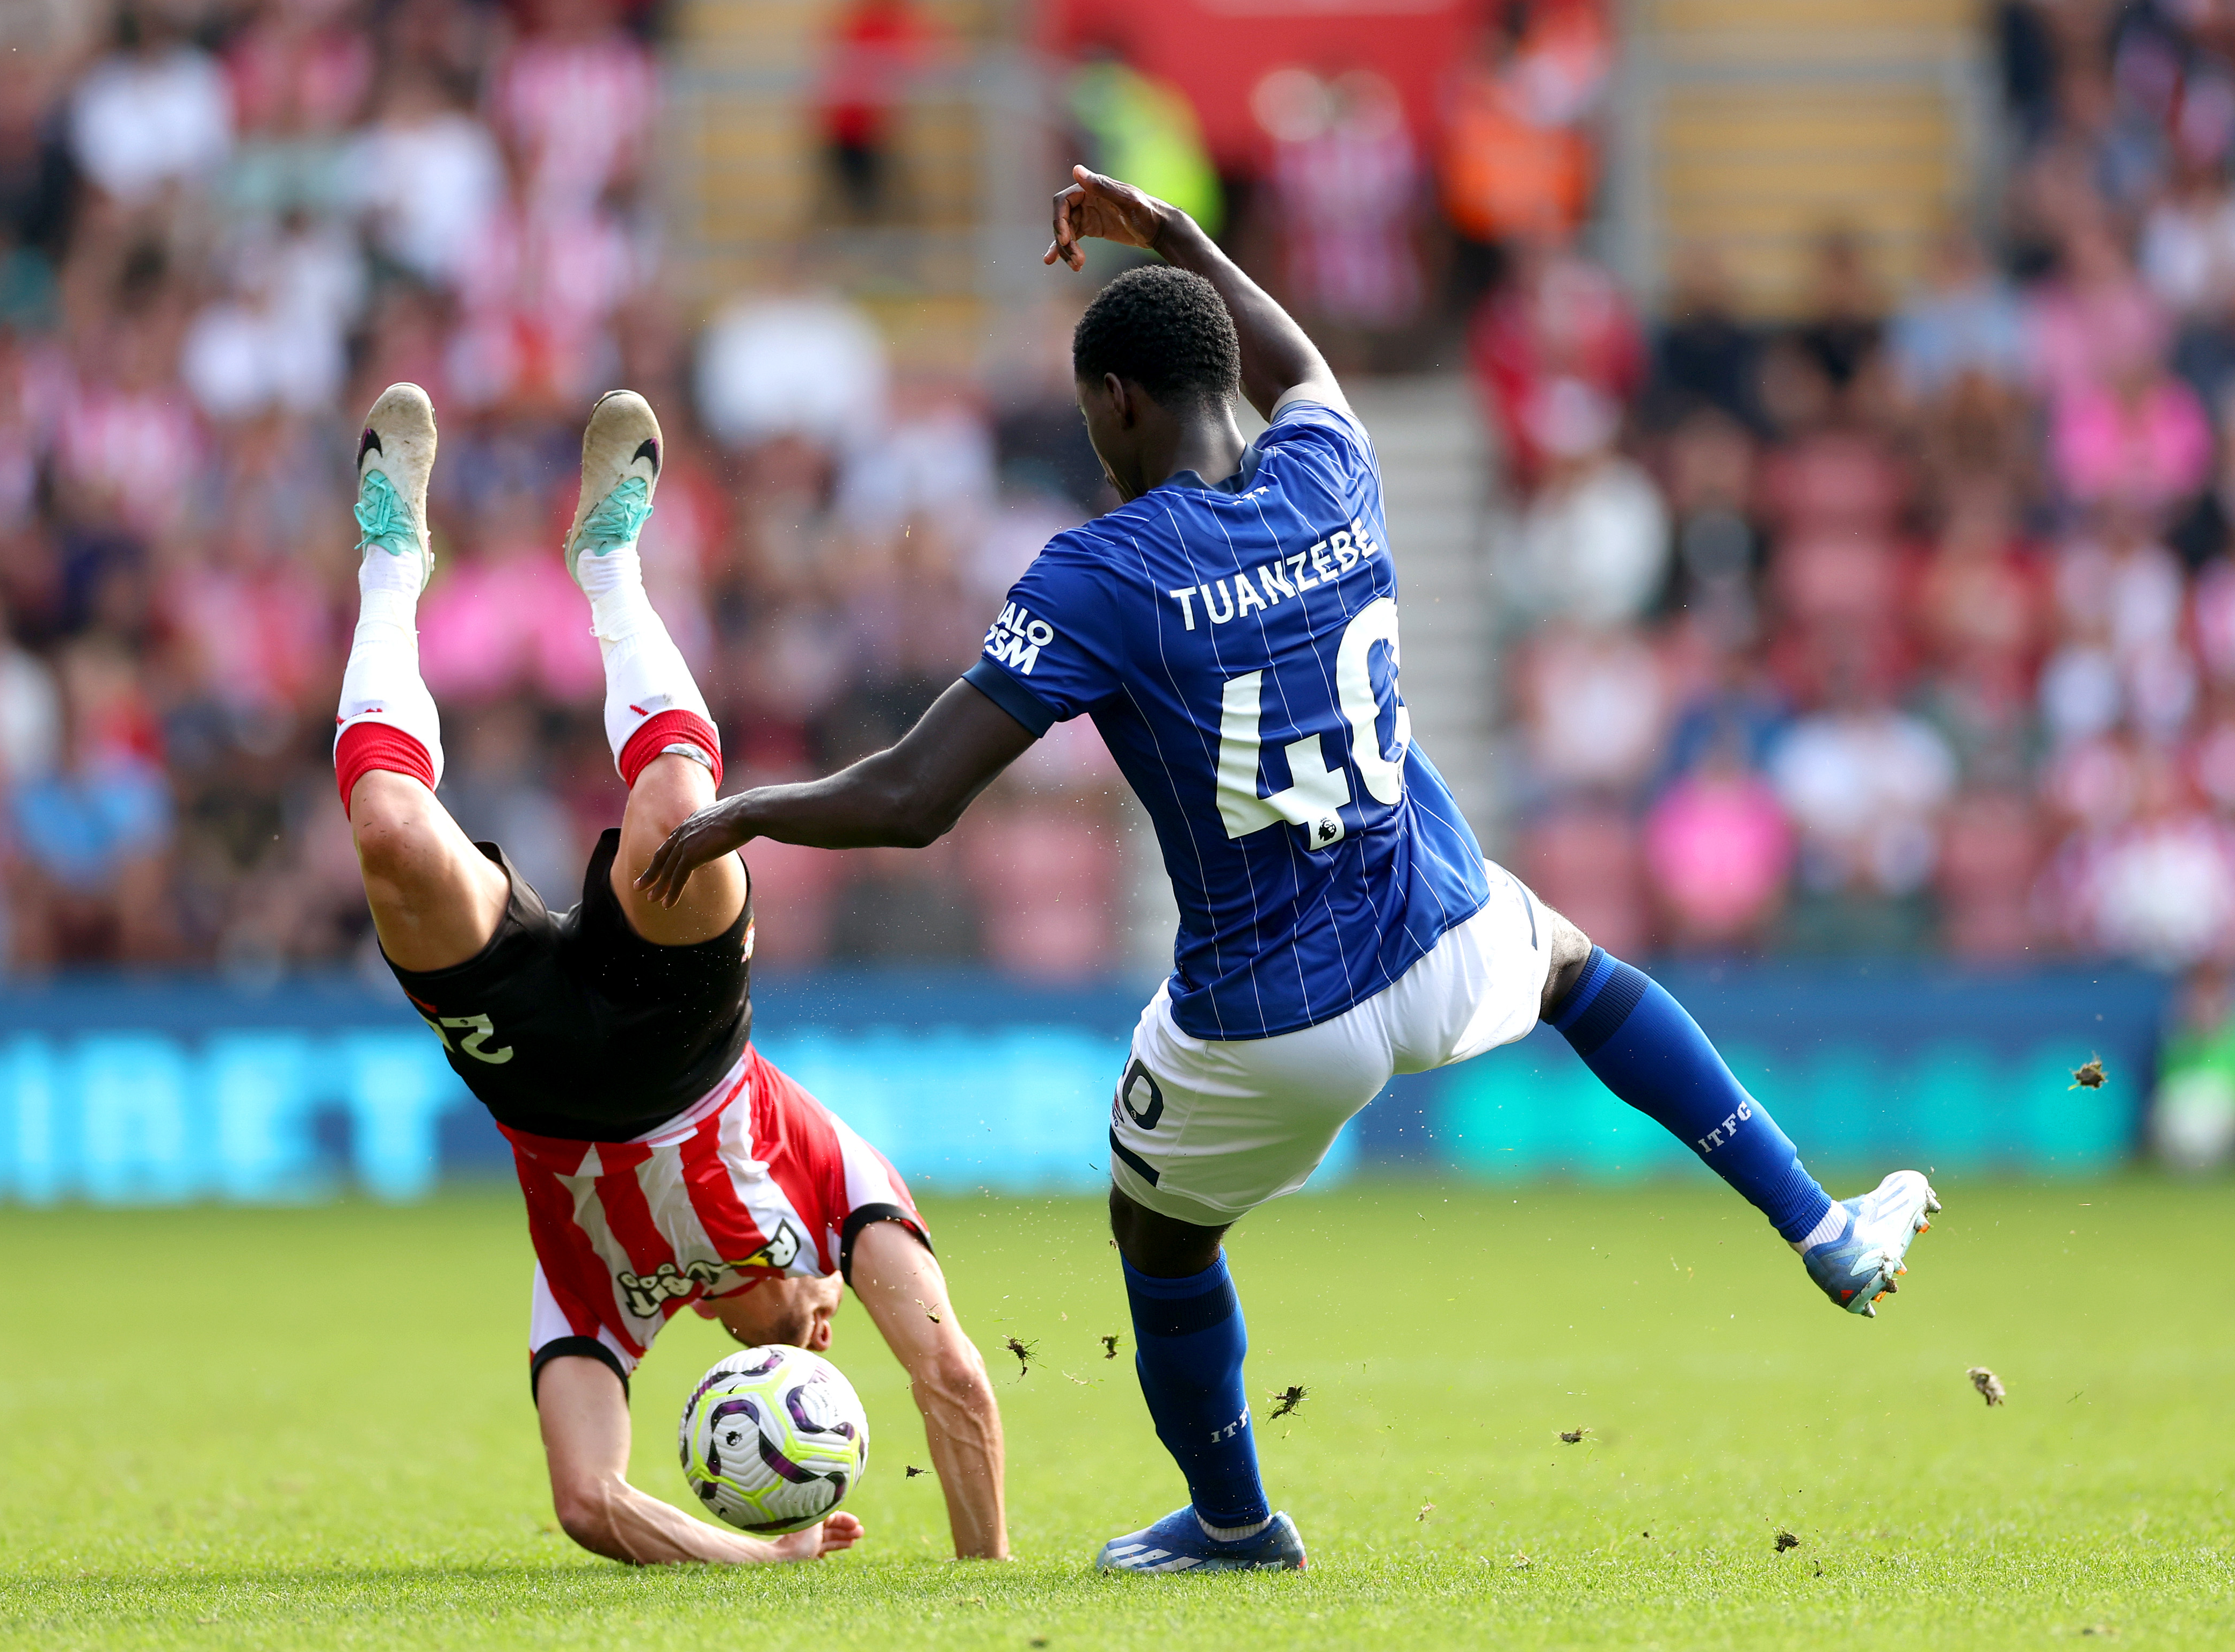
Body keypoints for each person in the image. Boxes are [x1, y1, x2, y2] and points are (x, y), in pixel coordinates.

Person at [636, 166, 1941, 1574]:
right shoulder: (1332, 465)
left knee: (1159, 1232)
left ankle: (1234, 1517)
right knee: (1579, 973)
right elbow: (1302, 360)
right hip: (1439, 940)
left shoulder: (1099, 570)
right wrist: (1185, 241)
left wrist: (739, 813)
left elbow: (909, 799)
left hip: (1272, 1022)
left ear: (1122, 401)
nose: (1094, 447)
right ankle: (1816, 1223)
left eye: (1093, 420)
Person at [329, 383, 1005, 1565]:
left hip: (533, 1076)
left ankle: (389, 561)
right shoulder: (841, 1183)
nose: (822, 1321)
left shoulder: (608, 1296)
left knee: (387, 829)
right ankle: (610, 565)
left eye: (801, 1351)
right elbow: (951, 1375)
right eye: (827, 1335)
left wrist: (766, 1556)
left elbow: (591, 1501)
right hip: (691, 1039)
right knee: (684, 810)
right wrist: (990, 1577)